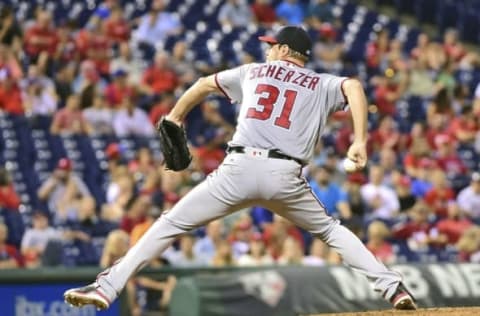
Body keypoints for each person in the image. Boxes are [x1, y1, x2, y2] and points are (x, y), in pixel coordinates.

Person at [64, 26, 416, 310]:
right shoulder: (321, 82)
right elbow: (354, 86)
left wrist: (175, 116)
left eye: (271, 45)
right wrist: (359, 140)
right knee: (331, 231)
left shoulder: (253, 71)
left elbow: (203, 84)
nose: (267, 50)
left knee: (170, 223)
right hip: (285, 175)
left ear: (282, 50)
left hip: (239, 167)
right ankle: (393, 288)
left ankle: (107, 288)